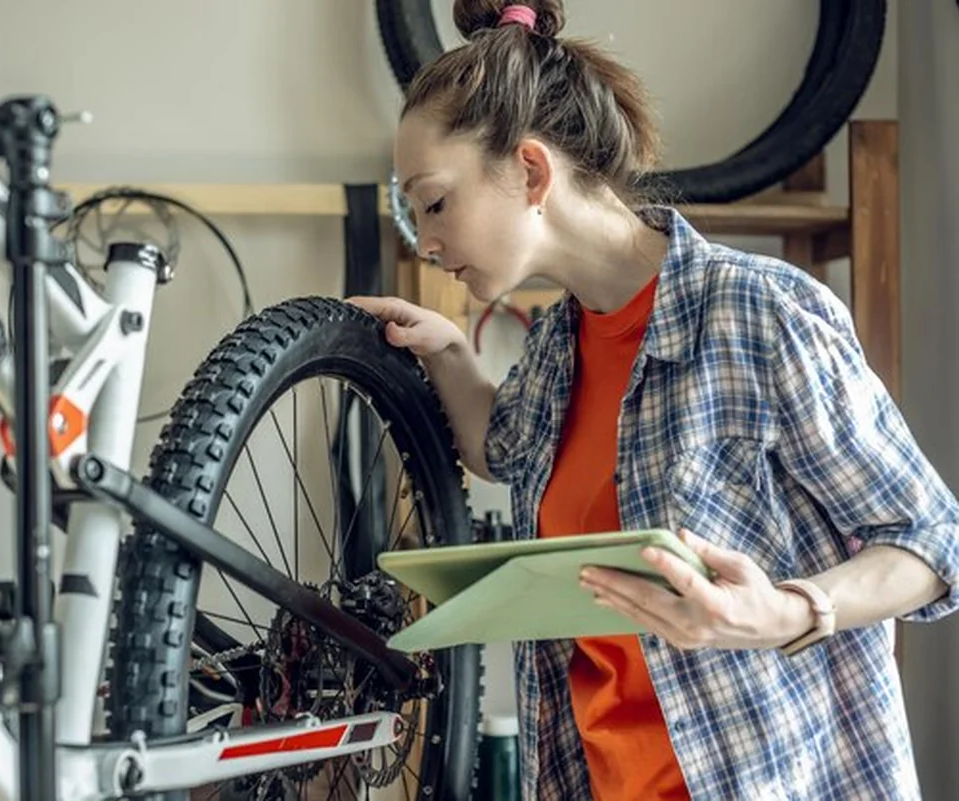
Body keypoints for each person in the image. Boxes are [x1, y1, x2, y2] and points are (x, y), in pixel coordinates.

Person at [349, 1, 959, 799]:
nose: (423, 240)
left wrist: (788, 609)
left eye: (433, 202)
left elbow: (933, 543)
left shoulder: (760, 313)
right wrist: (452, 353)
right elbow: (499, 446)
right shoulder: (557, 345)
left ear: (532, 171)